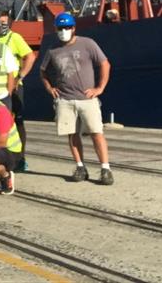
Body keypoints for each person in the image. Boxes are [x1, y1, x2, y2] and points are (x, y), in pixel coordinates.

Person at [40, 12, 113, 185]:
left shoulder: (87, 44)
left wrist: (100, 88)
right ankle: (80, 167)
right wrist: (49, 88)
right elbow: (43, 71)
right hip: (65, 100)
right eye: (60, 28)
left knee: (97, 133)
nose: (63, 31)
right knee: (72, 134)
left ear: (73, 28)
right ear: (56, 29)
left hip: (87, 99)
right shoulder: (52, 50)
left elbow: (105, 64)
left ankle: (105, 168)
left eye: (67, 27)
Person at [0, 11, 36, 172]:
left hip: (14, 87)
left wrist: (20, 76)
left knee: (17, 122)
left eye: (4, 23)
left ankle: (20, 159)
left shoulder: (15, 38)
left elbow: (30, 56)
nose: (0, 25)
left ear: (10, 24)